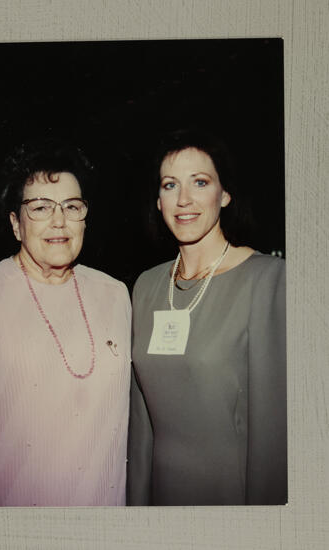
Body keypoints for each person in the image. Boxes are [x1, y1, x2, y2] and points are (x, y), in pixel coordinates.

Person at [127, 130, 287, 505]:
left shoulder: (268, 280)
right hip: (161, 497)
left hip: (231, 497)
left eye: (200, 182)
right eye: (170, 185)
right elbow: (141, 420)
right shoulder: (147, 287)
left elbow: (273, 432)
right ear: (158, 200)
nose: (184, 200)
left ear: (225, 194)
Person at [0, 139, 131, 506]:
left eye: (72, 206)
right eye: (41, 207)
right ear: (15, 223)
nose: (59, 221)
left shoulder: (115, 294)